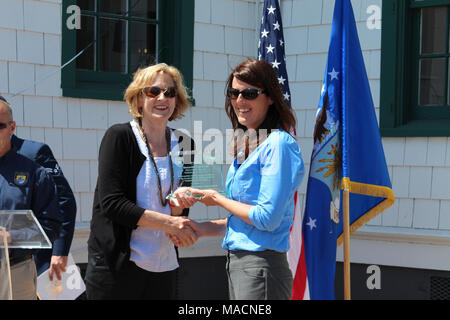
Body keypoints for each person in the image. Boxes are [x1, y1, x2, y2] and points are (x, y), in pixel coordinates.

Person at [179, 59, 305, 300]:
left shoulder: (278, 144)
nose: (239, 101)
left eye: (249, 93)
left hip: (261, 268)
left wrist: (216, 198)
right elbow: (245, 220)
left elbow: (266, 218)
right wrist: (201, 229)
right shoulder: (249, 144)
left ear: (270, 98)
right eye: (233, 93)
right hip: (240, 265)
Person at [85, 63, 197, 300]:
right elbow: (112, 203)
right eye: (153, 91)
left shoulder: (185, 143)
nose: (162, 97)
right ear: (137, 99)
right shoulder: (120, 137)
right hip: (117, 266)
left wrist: (179, 208)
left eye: (170, 92)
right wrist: (169, 222)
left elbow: (179, 211)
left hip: (163, 263)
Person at [0, 96, 78, 282]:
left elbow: (64, 202)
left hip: (28, 259)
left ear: (12, 127)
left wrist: (59, 252)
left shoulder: (33, 154)